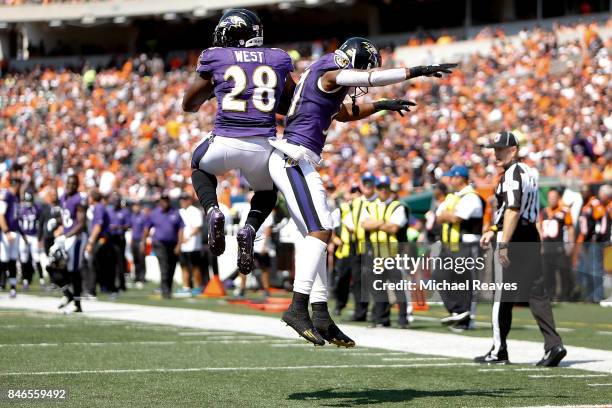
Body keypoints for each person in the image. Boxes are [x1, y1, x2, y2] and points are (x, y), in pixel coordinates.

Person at [269, 35, 456, 345]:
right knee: (322, 229)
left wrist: (381, 105)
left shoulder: (327, 79)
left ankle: (320, 314)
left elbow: (343, 112)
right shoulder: (330, 68)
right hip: (293, 156)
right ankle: (298, 307)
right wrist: (417, 70)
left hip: (297, 158)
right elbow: (370, 78)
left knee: (315, 237)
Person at [184, 8, 295, 275]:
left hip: (225, 141)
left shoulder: (216, 56)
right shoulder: (278, 58)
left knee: (199, 165)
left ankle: (213, 211)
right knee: (267, 193)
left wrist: (214, 91)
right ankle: (249, 228)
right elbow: (290, 103)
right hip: (263, 146)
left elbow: (189, 104)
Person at [476, 131, 565, 367]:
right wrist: (493, 229)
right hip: (529, 235)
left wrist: (503, 242)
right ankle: (554, 344)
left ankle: (498, 350)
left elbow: (513, 209)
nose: (496, 154)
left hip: (515, 237)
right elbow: (511, 209)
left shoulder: (513, 173)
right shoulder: (528, 171)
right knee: (537, 293)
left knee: (501, 296)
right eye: (494, 149)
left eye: (501, 149)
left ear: (513, 150)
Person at [435, 165, 484, 331]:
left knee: (464, 282)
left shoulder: (471, 197)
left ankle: (466, 318)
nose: (449, 180)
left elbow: (456, 217)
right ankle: (458, 311)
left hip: (466, 244)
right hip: (449, 245)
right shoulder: (452, 197)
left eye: (452, 177)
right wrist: (449, 214)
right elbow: (439, 217)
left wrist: (448, 214)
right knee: (439, 277)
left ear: (460, 178)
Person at [361, 176, 409, 329]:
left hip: (393, 253)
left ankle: (403, 319)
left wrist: (375, 223)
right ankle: (381, 318)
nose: (382, 191)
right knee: (378, 286)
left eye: (385, 188)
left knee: (398, 287)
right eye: (380, 188)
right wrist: (382, 223)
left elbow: (394, 228)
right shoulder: (369, 206)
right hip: (375, 253)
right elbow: (364, 225)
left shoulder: (398, 206)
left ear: (389, 189)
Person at [55, 174, 87, 312]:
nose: (70, 186)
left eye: (73, 184)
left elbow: (81, 224)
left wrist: (66, 235)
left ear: (77, 186)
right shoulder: (63, 197)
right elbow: (65, 218)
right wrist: (57, 225)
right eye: (68, 183)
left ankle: (77, 304)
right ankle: (67, 293)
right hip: (66, 237)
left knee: (73, 270)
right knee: (52, 264)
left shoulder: (78, 199)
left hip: (76, 238)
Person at [142, 193, 184, 299]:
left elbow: (181, 229)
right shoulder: (154, 213)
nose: (164, 203)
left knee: (172, 267)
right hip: (159, 244)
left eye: (166, 200)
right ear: (160, 202)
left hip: (173, 244)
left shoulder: (175, 212)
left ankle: (168, 288)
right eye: (163, 201)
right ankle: (165, 291)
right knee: (164, 266)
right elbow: (147, 227)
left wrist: (179, 244)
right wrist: (143, 242)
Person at [330, 183, 361, 316]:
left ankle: (360, 310)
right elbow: (330, 225)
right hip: (345, 248)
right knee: (342, 278)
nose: (356, 195)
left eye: (358, 192)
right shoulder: (342, 209)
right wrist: (334, 238)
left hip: (360, 249)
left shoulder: (366, 208)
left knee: (359, 281)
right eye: (353, 192)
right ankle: (339, 304)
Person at [540, 188, 576, 301]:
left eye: (554, 198)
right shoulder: (544, 211)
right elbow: (540, 229)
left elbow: (570, 228)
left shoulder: (564, 211)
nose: (552, 200)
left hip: (559, 247)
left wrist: (570, 244)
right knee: (547, 273)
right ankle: (550, 295)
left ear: (558, 198)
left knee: (563, 272)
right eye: (550, 198)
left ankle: (564, 295)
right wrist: (540, 245)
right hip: (547, 247)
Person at [577, 184, 607, 303]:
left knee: (596, 269)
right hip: (585, 241)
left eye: (585, 190)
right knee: (587, 269)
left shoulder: (594, 203)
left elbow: (602, 219)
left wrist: (597, 235)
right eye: (581, 190)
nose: (582, 192)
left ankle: (598, 295)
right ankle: (589, 295)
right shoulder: (584, 204)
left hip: (593, 241)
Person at [84, 189, 113, 298]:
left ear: (92, 198)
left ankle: (91, 290)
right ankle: (100, 287)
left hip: (100, 239)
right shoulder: (98, 207)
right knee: (97, 264)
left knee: (93, 264)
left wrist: (91, 242)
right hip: (100, 239)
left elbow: (98, 226)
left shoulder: (98, 208)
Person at [178, 193, 204, 295]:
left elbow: (197, 227)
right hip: (183, 244)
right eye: (181, 200)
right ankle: (186, 286)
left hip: (193, 245)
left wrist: (187, 238)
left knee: (195, 267)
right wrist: (180, 240)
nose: (182, 202)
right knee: (183, 266)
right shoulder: (179, 211)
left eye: (184, 200)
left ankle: (197, 287)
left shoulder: (195, 211)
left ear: (189, 200)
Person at [0, 176, 21, 297]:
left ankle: (12, 286)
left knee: (12, 259)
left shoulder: (15, 198)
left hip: (15, 231)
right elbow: (0, 215)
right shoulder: (7, 196)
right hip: (8, 232)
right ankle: (2, 283)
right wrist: (6, 231)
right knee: (4, 259)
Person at [18, 190, 42, 291]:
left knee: (36, 258)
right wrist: (23, 236)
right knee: (23, 259)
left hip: (34, 236)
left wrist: (39, 237)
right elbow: (19, 224)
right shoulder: (21, 209)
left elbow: (40, 223)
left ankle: (42, 281)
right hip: (24, 236)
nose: (28, 202)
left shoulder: (37, 208)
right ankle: (25, 281)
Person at [107, 193, 129, 292]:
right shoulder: (108, 211)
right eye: (114, 200)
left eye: (117, 200)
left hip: (119, 239)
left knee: (120, 263)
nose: (115, 202)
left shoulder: (124, 212)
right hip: (110, 239)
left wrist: (118, 227)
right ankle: (111, 284)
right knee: (111, 263)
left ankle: (122, 284)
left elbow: (128, 225)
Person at [129, 202, 149, 288]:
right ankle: (136, 277)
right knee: (135, 259)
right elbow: (131, 228)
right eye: (134, 206)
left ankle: (142, 278)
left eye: (136, 206)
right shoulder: (132, 216)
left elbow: (145, 229)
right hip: (134, 240)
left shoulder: (143, 216)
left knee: (141, 259)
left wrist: (143, 241)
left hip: (141, 241)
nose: (135, 208)